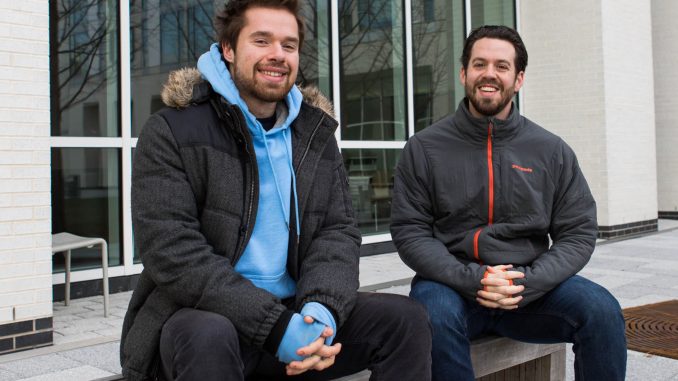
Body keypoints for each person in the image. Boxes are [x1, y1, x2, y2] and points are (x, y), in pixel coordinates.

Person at [120, 1, 431, 380]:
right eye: (262, 40)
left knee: (405, 320)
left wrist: (320, 312)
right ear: (228, 50)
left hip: (294, 318)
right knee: (208, 335)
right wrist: (274, 327)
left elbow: (337, 233)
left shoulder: (313, 135)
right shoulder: (172, 129)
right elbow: (172, 251)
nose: (277, 56)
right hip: (204, 319)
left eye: (289, 45)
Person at [390, 25, 626, 381]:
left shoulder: (551, 150)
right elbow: (410, 231)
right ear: (463, 73)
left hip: (530, 289)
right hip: (451, 285)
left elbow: (578, 231)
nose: (489, 74)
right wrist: (475, 279)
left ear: (518, 79)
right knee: (429, 317)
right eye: (479, 64)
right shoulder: (424, 148)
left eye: (501, 66)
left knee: (602, 311)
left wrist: (526, 282)